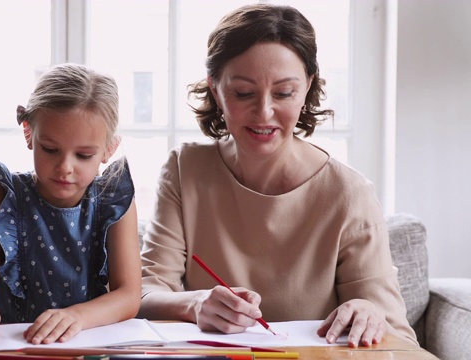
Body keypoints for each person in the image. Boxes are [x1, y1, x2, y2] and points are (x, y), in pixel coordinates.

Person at [138, 4, 417, 348]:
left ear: (307, 88)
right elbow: (145, 293)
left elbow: (398, 337)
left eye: (284, 93)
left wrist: (367, 312)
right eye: (243, 93)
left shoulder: (349, 194)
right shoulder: (185, 170)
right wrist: (194, 304)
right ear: (215, 89)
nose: (264, 112)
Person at [0, 63, 141, 345]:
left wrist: (78, 316)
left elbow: (129, 296)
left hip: (84, 347)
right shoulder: (0, 194)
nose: (64, 167)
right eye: (51, 149)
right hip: (12, 348)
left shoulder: (113, 200)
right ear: (29, 134)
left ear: (108, 149)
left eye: (83, 155)